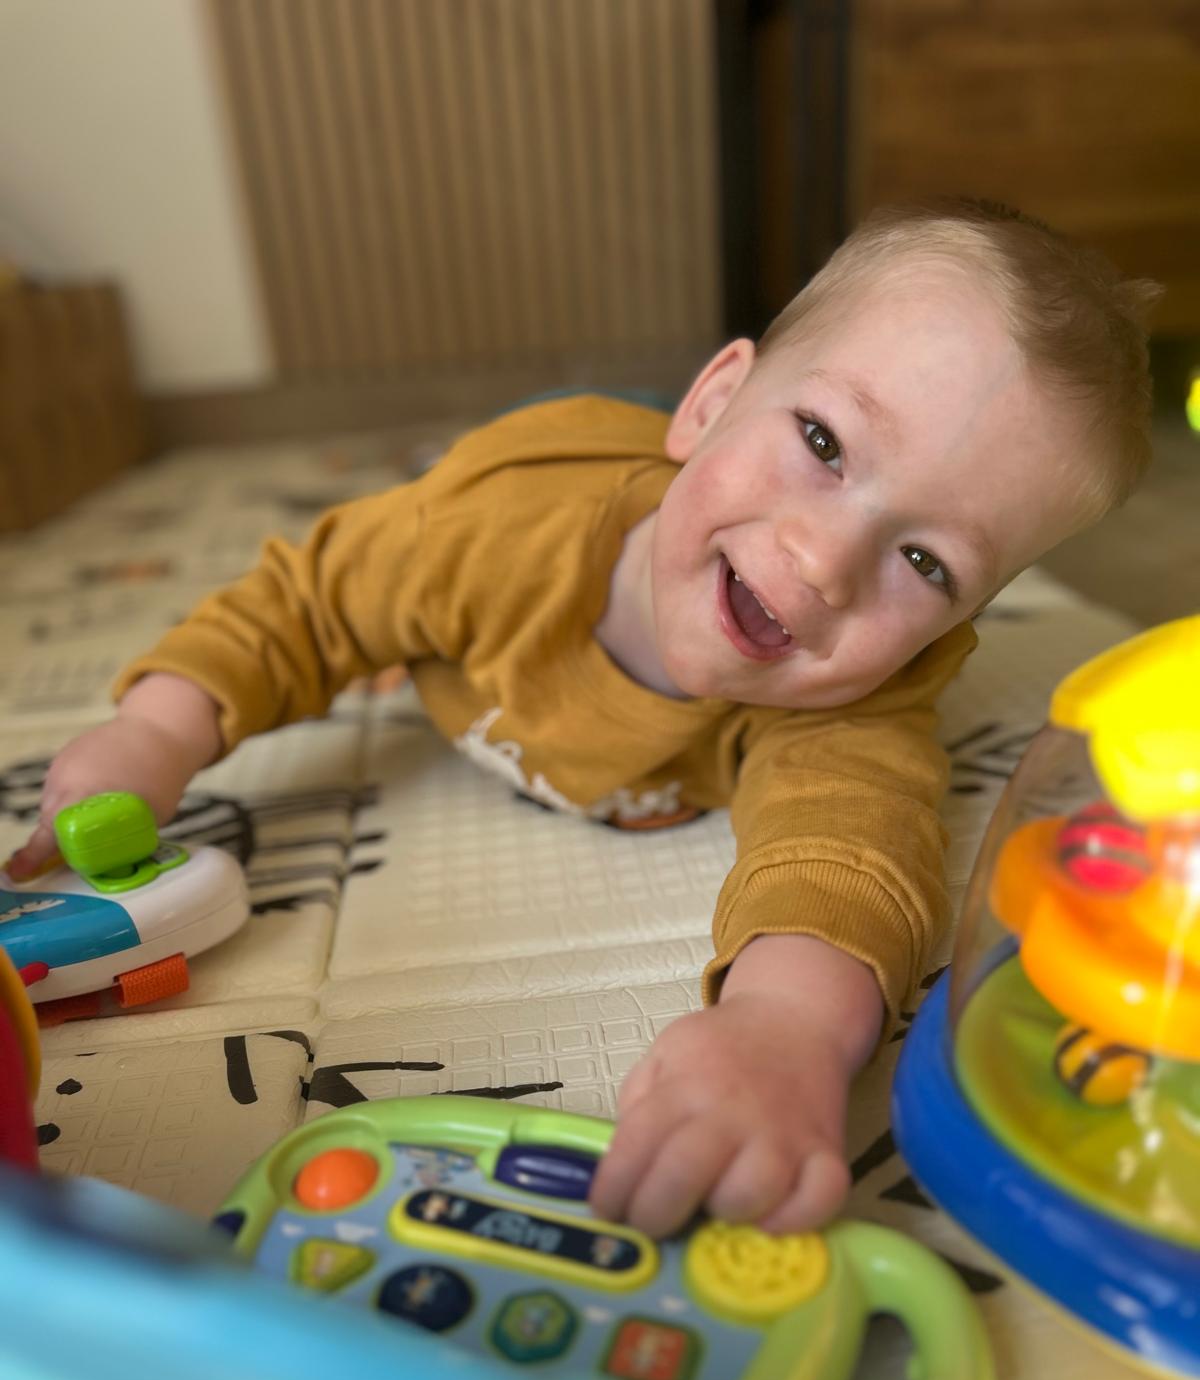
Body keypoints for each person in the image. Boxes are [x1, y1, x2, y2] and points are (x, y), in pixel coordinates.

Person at [9, 199, 1157, 1239]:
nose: (823, 560)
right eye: (822, 443)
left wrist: (786, 1031)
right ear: (711, 402)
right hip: (519, 513)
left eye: (926, 560)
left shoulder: (858, 692)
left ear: (957, 628)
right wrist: (157, 730)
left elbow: (851, 848)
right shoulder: (493, 532)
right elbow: (302, 600)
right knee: (388, 560)